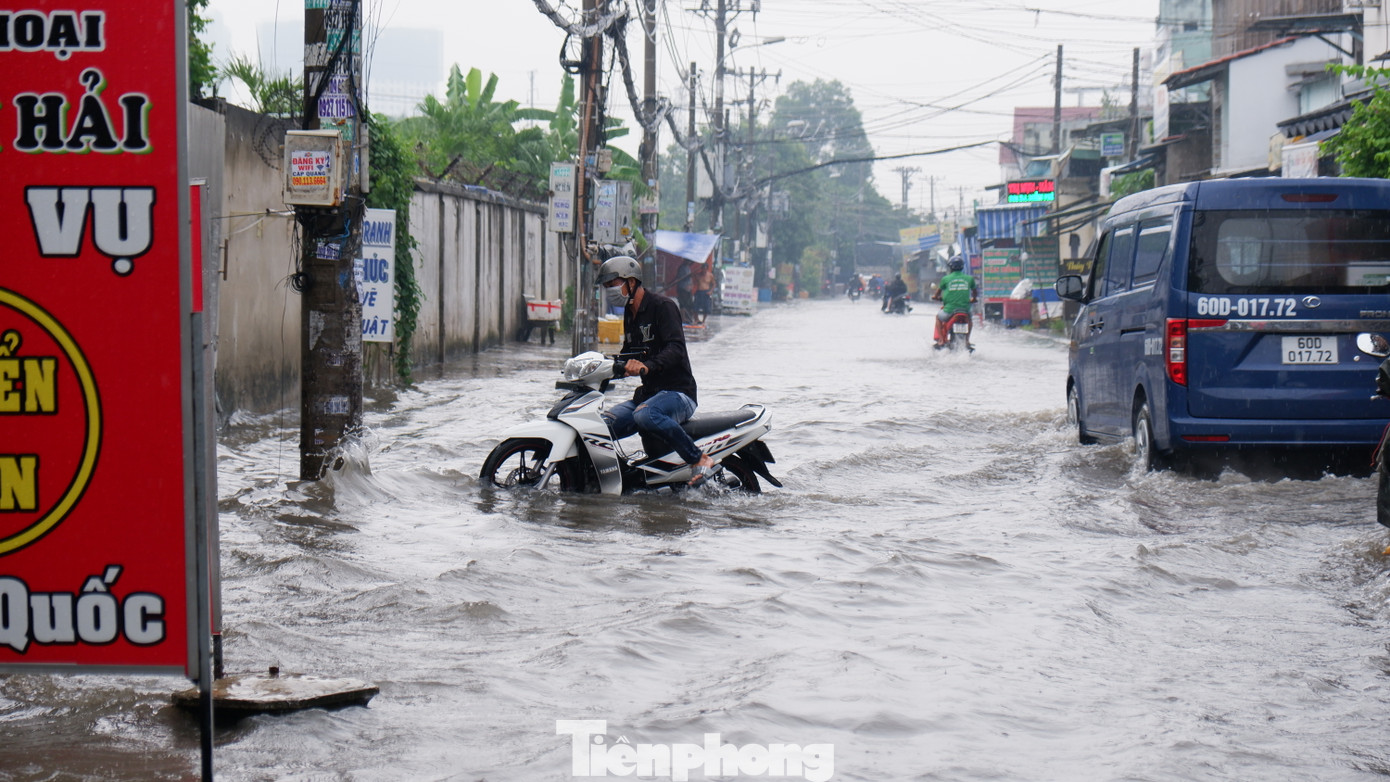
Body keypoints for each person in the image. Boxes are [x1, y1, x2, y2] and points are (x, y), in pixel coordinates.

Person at [596, 256, 721, 487]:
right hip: (649, 395)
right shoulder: (629, 313)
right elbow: (628, 352)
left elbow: (676, 348)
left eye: (612, 285)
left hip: (678, 393)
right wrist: (604, 366)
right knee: (600, 427)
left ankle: (699, 457)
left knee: (645, 415)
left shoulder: (663, 307)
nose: (610, 291)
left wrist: (647, 365)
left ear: (631, 282)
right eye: (607, 287)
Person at [933, 256, 978, 346]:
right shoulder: (969, 279)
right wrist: (973, 299)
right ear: (962, 267)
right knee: (970, 320)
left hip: (949, 310)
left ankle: (941, 340)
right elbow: (975, 293)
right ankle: (967, 340)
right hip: (965, 310)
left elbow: (937, 293)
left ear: (950, 267)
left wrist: (935, 297)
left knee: (938, 317)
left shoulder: (945, 279)